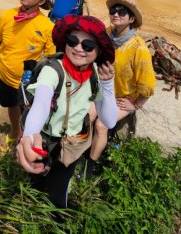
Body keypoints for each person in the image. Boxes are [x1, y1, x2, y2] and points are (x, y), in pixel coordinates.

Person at [16, 15, 117, 208]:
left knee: (60, 186)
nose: (78, 48)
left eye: (88, 45)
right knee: (36, 177)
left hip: (71, 142)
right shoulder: (53, 70)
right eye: (73, 41)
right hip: (43, 139)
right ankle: (34, 205)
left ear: (98, 52)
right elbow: (41, 104)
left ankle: (57, 215)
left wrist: (108, 84)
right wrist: (28, 136)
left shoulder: (96, 75)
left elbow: (109, 120)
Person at [86, 0, 156, 178]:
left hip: (121, 97)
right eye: (113, 11)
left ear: (131, 19)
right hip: (102, 90)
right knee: (86, 116)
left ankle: (90, 167)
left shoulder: (138, 48)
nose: (115, 14)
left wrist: (136, 105)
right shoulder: (107, 34)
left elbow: (147, 83)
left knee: (101, 125)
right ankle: (80, 152)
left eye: (122, 12)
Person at [0, 0, 56, 152]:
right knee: (11, 106)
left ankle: (26, 138)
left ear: (42, 0)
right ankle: (14, 132)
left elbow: (51, 59)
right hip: (3, 76)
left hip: (26, 82)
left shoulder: (47, 26)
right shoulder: (7, 15)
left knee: (28, 113)